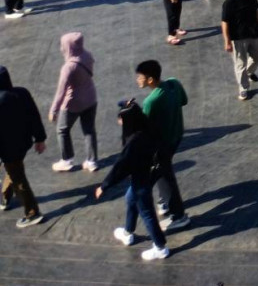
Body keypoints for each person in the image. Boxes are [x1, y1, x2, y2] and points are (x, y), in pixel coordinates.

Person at [94, 104, 169, 260]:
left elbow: (121, 166)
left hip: (141, 180)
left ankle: (160, 247)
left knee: (147, 213)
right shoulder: (148, 129)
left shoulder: (134, 141)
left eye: (121, 119)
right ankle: (128, 232)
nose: (119, 122)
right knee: (130, 198)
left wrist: (104, 186)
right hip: (150, 174)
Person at [136, 60, 189, 231]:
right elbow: (184, 101)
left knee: (165, 175)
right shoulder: (174, 83)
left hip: (161, 144)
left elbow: (143, 127)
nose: (138, 80)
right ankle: (164, 202)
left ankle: (178, 215)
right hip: (176, 135)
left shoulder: (151, 101)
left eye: (140, 77)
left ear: (150, 80)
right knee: (162, 172)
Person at [0, 66, 47, 228]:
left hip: (7, 149)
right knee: (14, 169)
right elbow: (34, 116)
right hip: (23, 143)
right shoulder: (22, 93)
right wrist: (40, 139)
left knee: (18, 178)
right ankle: (5, 198)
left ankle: (32, 212)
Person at [47, 32, 99, 172]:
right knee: (89, 130)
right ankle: (92, 161)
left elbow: (61, 91)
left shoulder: (68, 67)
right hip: (91, 98)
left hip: (73, 103)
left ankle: (67, 159)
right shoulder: (87, 55)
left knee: (62, 130)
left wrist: (54, 109)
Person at [221, 0, 258, 100]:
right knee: (240, 63)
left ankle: (249, 72)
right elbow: (225, 22)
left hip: (253, 33)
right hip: (239, 37)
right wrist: (227, 41)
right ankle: (243, 88)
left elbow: (256, 9)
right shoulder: (230, 1)